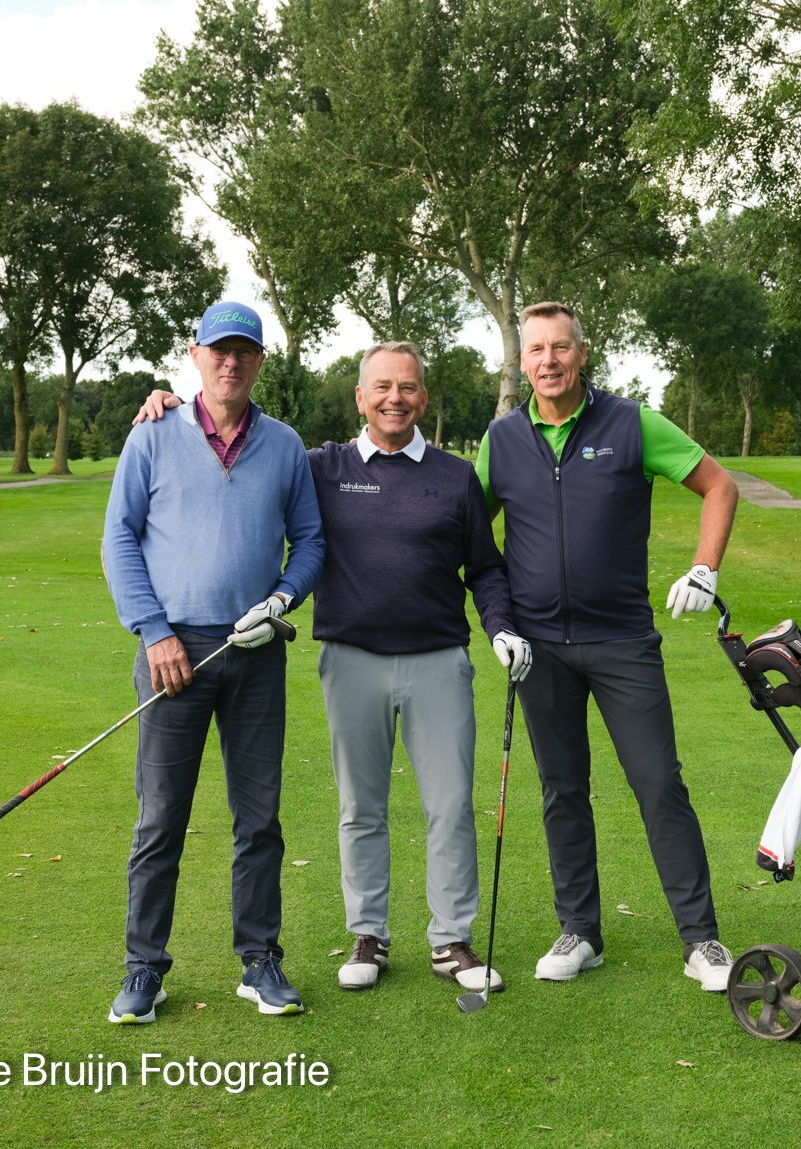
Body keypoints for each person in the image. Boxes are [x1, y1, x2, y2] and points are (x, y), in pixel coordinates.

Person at [136, 341, 531, 996]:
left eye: (407, 387)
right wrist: (172, 403)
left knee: (450, 806)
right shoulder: (322, 465)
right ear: (359, 397)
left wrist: (502, 628)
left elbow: (485, 569)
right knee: (360, 807)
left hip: (438, 660)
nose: (394, 399)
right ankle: (368, 935)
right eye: (382, 387)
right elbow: (242, 431)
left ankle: (451, 940)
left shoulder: (455, 476)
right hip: (350, 660)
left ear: (422, 398)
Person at [475, 301, 741, 992]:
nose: (548, 361)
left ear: (582, 353)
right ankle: (580, 931)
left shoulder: (631, 423)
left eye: (560, 347)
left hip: (622, 639)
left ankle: (701, 939)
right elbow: (471, 538)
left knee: (658, 782)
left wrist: (705, 568)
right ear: (522, 361)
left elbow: (719, 484)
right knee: (561, 789)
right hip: (538, 648)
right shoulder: (501, 439)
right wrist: (498, 623)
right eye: (536, 350)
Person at [102, 300, 325, 1024]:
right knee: (161, 819)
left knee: (258, 819)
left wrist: (283, 598)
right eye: (219, 350)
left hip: (254, 650)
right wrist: (154, 632)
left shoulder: (284, 445)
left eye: (245, 352)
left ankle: (260, 960)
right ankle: (144, 968)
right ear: (195, 354)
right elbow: (119, 538)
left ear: (259, 362)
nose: (231, 362)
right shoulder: (152, 434)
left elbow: (311, 541)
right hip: (172, 654)